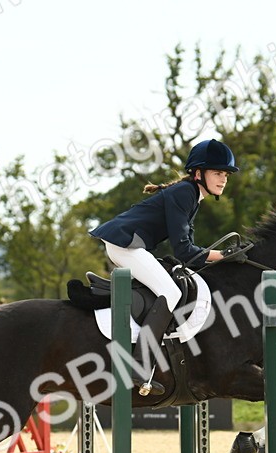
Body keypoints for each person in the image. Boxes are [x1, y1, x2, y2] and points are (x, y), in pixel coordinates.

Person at [89, 138, 238, 356]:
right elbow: (184, 252)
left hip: (126, 244)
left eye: (226, 175)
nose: (223, 179)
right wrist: (223, 255)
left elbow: (189, 249)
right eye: (217, 173)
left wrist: (220, 255)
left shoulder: (192, 196)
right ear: (198, 174)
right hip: (125, 245)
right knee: (170, 293)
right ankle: (141, 362)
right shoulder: (185, 193)